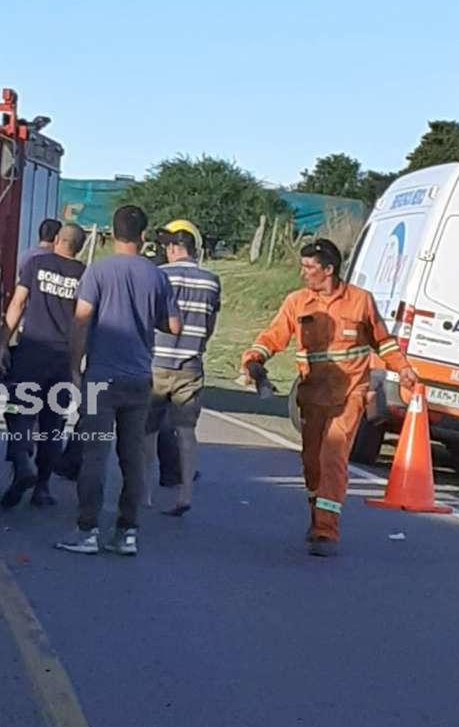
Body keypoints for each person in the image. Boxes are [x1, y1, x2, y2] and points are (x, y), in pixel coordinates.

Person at [240, 238, 418, 556]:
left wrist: (402, 368)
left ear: (329, 269)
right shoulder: (297, 302)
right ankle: (316, 515)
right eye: (303, 266)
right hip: (312, 395)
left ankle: (326, 530)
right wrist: (254, 358)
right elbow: (274, 334)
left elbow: (383, 341)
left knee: (332, 456)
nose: (303, 273)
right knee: (312, 462)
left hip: (350, 394)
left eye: (309, 267)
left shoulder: (360, 301)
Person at [57, 205, 181, 557]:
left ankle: (87, 530)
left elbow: (81, 320)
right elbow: (173, 326)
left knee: (95, 455)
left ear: (112, 233)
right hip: (139, 377)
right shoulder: (157, 276)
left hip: (101, 376)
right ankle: (127, 531)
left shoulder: (98, 271)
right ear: (142, 236)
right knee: (133, 457)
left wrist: (75, 366)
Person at [0, 222, 87, 509]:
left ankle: (22, 461)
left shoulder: (36, 264)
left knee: (19, 412)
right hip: (61, 357)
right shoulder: (84, 275)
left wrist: (3, 344)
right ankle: (43, 488)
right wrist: (75, 367)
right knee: (53, 424)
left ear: (58, 239)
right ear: (79, 247)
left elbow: (18, 303)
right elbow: (80, 325)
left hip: (31, 351)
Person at [146, 219, 220, 517]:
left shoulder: (160, 275)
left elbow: (150, 316)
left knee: (148, 432)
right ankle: (185, 493)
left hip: (157, 362)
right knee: (186, 432)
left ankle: (144, 493)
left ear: (176, 248)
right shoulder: (212, 281)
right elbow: (210, 324)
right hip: (190, 365)